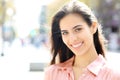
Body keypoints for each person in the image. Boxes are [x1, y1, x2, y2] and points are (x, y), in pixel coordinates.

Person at [44, 1, 120, 80]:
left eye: (78, 29)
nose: (72, 39)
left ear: (93, 27)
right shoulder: (52, 73)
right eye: (65, 32)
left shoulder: (112, 76)